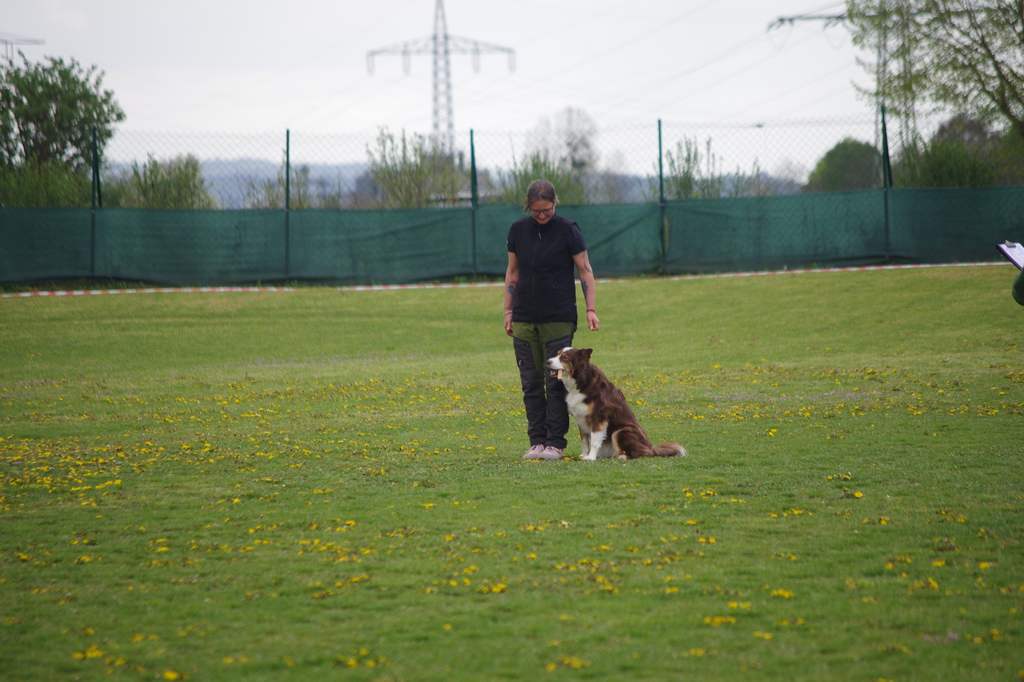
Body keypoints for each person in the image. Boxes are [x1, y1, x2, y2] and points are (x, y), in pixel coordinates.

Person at [503, 179, 599, 460]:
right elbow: (513, 272)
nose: (542, 216)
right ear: (528, 207)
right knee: (530, 383)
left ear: (555, 203)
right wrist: (508, 311)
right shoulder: (517, 230)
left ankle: (555, 443)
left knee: (555, 381)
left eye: (547, 210)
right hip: (524, 317)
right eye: (536, 211)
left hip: (558, 318)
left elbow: (585, 271)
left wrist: (590, 309)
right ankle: (537, 442)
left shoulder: (568, 230)